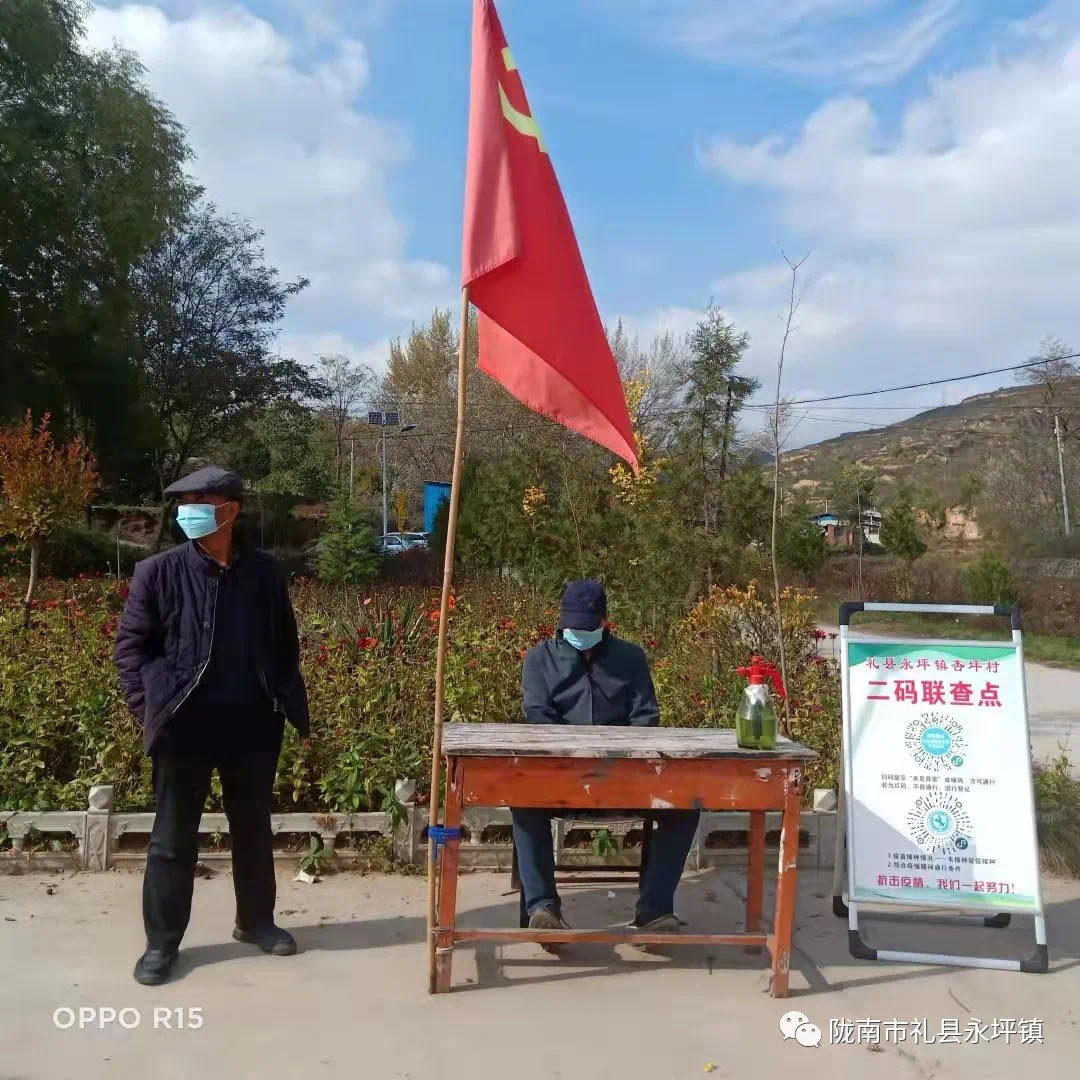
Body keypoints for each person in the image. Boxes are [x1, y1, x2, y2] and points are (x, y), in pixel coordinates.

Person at [115, 466, 309, 985]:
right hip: (185, 727)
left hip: (252, 724)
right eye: (182, 503)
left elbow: (284, 642)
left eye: (199, 501)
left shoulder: (264, 573)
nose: (188, 511)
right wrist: (149, 708)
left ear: (231, 510)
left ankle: (256, 922)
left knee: (253, 829)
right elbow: (130, 650)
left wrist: (279, 700)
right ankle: (162, 944)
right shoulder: (157, 572)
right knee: (172, 838)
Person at [512, 580, 699, 947]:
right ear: (562, 621)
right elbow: (538, 715)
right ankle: (543, 909)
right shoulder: (539, 659)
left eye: (588, 626)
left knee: (684, 807)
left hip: (624, 777)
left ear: (605, 621)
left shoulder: (630, 658)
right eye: (574, 626)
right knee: (522, 802)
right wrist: (574, 755)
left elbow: (646, 716)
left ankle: (654, 911)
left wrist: (618, 756)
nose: (580, 633)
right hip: (561, 778)